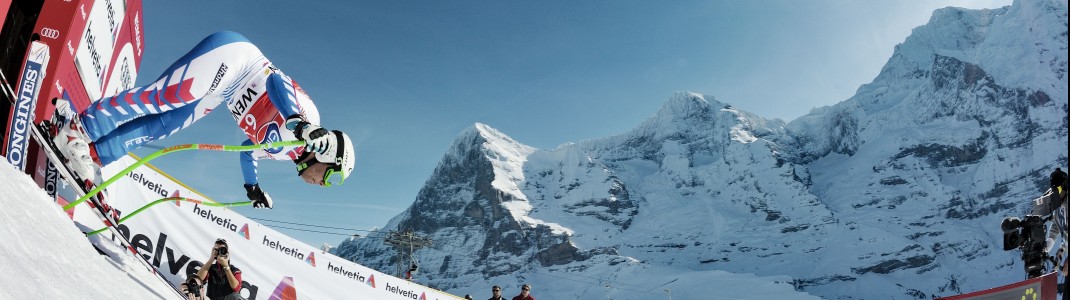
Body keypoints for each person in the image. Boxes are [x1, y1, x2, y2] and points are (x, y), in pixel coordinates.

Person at [51, 31, 356, 209]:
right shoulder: (309, 118)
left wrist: (252, 187)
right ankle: (77, 130)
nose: (323, 184)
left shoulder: (287, 151)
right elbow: (276, 80)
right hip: (236, 61)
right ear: (328, 154)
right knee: (161, 97)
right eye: (332, 178)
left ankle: (94, 156)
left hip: (222, 91)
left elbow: (248, 149)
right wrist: (300, 122)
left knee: (164, 125)